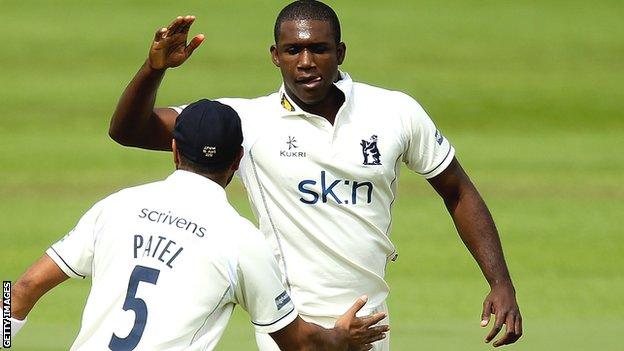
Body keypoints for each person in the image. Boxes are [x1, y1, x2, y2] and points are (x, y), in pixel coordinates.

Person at [108, 1, 523, 349]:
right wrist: (153, 69)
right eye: (293, 51)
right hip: (292, 332)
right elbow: (129, 131)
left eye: (318, 49)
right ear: (275, 55)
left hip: (369, 326)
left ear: (340, 52)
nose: (306, 62)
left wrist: (500, 281)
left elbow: (457, 190)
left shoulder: (395, 112)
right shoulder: (247, 121)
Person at [9, 99, 388, 351]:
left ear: (174, 150)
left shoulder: (117, 206)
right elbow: (298, 343)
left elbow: (23, 288)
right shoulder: (242, 240)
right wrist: (341, 337)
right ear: (237, 160)